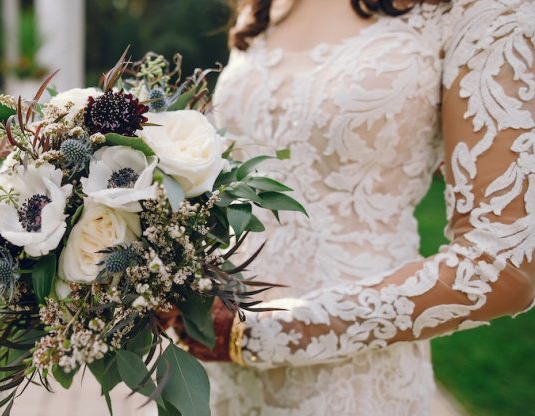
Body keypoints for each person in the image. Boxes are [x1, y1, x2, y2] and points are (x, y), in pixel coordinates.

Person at [170, 0, 535, 414]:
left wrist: (268, 332)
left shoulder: (480, 10)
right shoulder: (264, 6)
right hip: (222, 376)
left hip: (353, 383)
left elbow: (503, 264)